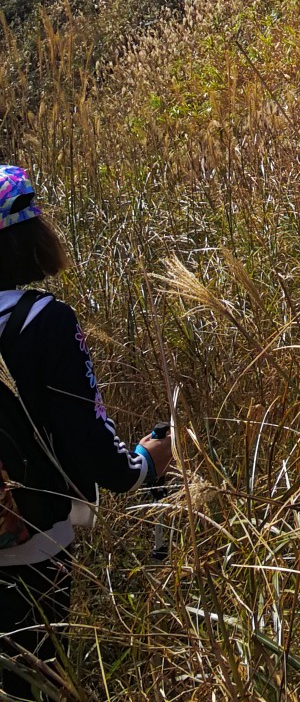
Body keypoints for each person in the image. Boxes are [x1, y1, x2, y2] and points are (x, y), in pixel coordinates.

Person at [0, 167, 171, 694]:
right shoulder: (43, 322)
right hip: (30, 547)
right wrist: (146, 462)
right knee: (34, 679)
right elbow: (97, 453)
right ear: (29, 237)